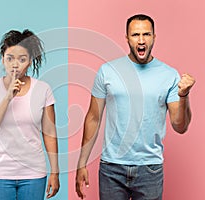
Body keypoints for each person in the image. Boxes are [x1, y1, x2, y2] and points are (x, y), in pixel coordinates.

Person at [75, 14, 195, 200]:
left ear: (154, 37)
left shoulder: (169, 75)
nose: (141, 40)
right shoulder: (108, 71)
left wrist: (184, 96)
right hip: (111, 168)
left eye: (146, 34)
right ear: (127, 38)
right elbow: (93, 117)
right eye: (135, 34)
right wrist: (81, 162)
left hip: (150, 169)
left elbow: (180, 126)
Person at [0, 30, 59, 200]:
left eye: (22, 59)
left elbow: (50, 134)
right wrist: (7, 97)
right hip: (0, 173)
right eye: (10, 58)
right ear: (3, 60)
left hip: (33, 174)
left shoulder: (43, 90)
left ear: (30, 62)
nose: (15, 64)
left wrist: (55, 172)